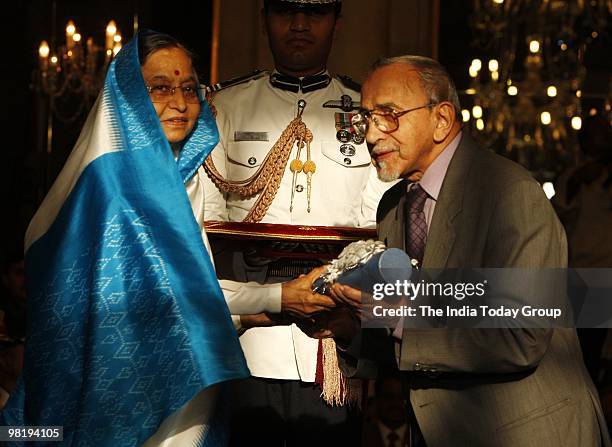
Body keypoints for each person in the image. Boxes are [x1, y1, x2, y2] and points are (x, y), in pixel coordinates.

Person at [305, 55, 611, 446]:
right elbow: (416, 340)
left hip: (527, 431)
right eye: (367, 117)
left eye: (389, 115)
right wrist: (351, 330)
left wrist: (397, 315)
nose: (371, 134)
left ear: (442, 119)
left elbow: (519, 336)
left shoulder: (509, 192)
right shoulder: (393, 206)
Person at [1, 31, 251, 446]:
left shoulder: (188, 176)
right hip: (122, 380)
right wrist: (276, 299)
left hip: (186, 372)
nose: (180, 103)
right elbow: (164, 294)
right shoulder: (114, 188)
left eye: (189, 88)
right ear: (129, 95)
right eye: (160, 88)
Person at [202, 0, 391, 445]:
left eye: (316, 13)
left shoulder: (366, 110)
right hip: (247, 337)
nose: (300, 25)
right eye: (286, 11)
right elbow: (203, 229)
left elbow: (380, 229)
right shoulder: (224, 106)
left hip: (330, 339)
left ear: (337, 23)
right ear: (264, 19)